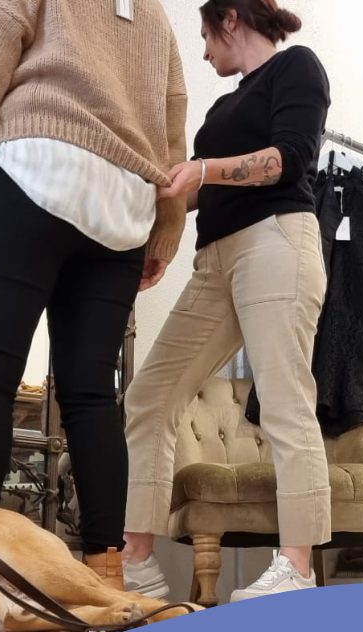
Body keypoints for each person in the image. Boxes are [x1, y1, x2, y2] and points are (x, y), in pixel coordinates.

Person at [0, 0, 187, 589]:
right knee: (92, 395)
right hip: (123, 206)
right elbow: (173, 125)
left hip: (34, 167)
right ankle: (107, 571)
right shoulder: (156, 17)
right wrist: (165, 229)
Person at [122, 0, 332, 601]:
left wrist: (201, 170)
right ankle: (138, 563)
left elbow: (287, 160)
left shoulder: (298, 67)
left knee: (287, 403)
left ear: (231, 20)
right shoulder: (218, 108)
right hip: (214, 259)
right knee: (151, 395)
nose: (206, 49)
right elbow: (195, 192)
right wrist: (154, 212)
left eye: (207, 36)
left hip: (276, 241)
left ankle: (295, 569)